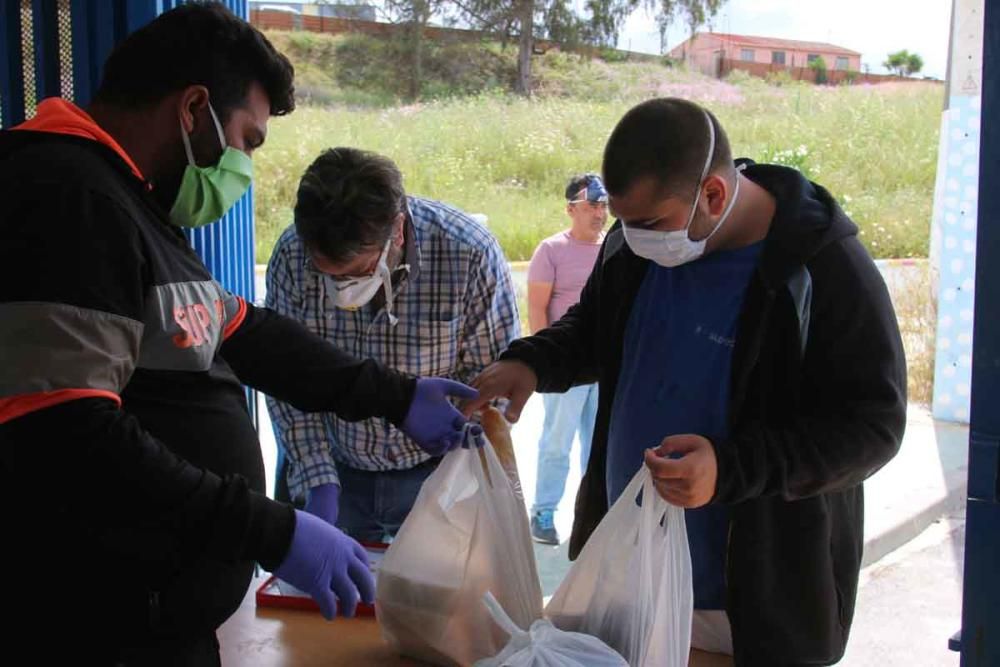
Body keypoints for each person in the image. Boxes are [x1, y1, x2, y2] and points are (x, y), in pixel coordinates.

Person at [0, 4, 478, 664]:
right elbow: (71, 435)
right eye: (248, 138)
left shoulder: (130, 204)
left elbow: (250, 334)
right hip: (94, 629)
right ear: (194, 108)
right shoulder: (66, 197)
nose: (245, 165)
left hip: (159, 621)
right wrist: (270, 526)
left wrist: (395, 396)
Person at [465, 97, 907, 665]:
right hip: (623, 575)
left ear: (714, 194)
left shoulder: (822, 269)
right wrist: (532, 362)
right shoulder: (635, 243)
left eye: (649, 224)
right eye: (622, 221)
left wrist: (730, 469)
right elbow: (597, 329)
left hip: (745, 608)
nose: (631, 236)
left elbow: (873, 427)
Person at [265, 147, 519, 542]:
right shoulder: (292, 254)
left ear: (397, 230)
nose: (342, 288)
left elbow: (493, 380)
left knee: (428, 599)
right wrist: (318, 479)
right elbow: (286, 376)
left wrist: (459, 465)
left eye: (358, 272)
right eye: (327, 274)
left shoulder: (468, 253)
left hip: (434, 475)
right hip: (336, 465)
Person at [525, 173, 607, 544]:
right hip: (566, 366)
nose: (599, 213)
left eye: (604, 205)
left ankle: (591, 517)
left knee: (598, 445)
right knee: (557, 442)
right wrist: (544, 364)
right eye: (592, 205)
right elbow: (538, 308)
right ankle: (543, 513)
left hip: (604, 367)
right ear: (571, 208)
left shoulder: (614, 249)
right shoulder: (552, 250)